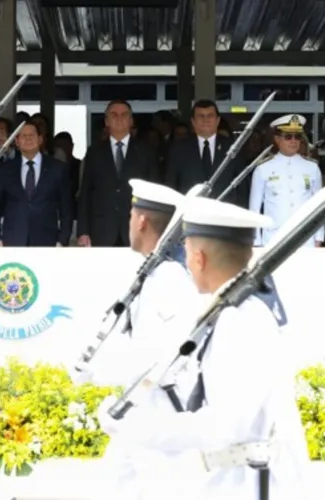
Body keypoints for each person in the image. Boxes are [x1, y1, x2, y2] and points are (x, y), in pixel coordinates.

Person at [98, 196, 307, 500]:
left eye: (186, 250)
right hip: (236, 480)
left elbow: (224, 426)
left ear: (199, 258)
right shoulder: (231, 312)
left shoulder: (239, 320)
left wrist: (138, 428)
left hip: (251, 484)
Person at [77, 179, 202, 500]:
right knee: (110, 485)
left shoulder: (168, 278)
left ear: (142, 220)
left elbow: (157, 355)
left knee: (161, 488)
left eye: (132, 214)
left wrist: (103, 379)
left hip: (156, 409)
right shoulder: (153, 272)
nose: (129, 222)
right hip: (143, 408)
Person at [77, 100, 158, 247]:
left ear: (131, 120)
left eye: (124, 114)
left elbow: (154, 193)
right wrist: (83, 231)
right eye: (114, 115)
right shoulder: (94, 151)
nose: (119, 118)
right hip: (102, 230)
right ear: (106, 121)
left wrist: (154, 231)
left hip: (138, 230)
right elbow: (86, 193)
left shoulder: (146, 151)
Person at [0, 121, 74, 247]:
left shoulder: (57, 168)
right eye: (23, 136)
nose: (28, 139)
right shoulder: (6, 170)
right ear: (17, 142)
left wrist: (62, 241)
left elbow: (66, 209)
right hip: (12, 240)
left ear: (40, 139)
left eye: (32, 135)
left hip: (47, 241)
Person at [248, 114, 324, 249]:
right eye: (288, 136)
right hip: (273, 239)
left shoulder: (312, 167)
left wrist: (319, 236)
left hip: (305, 238)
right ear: (277, 139)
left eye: (297, 136)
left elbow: (319, 205)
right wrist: (256, 242)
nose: (293, 141)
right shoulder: (263, 169)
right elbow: (254, 209)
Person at [165, 99, 247, 207]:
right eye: (200, 116)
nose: (205, 120)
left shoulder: (233, 147)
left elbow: (242, 189)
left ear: (218, 120)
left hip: (225, 216)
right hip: (190, 216)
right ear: (193, 122)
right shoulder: (178, 149)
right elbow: (171, 187)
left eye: (210, 116)